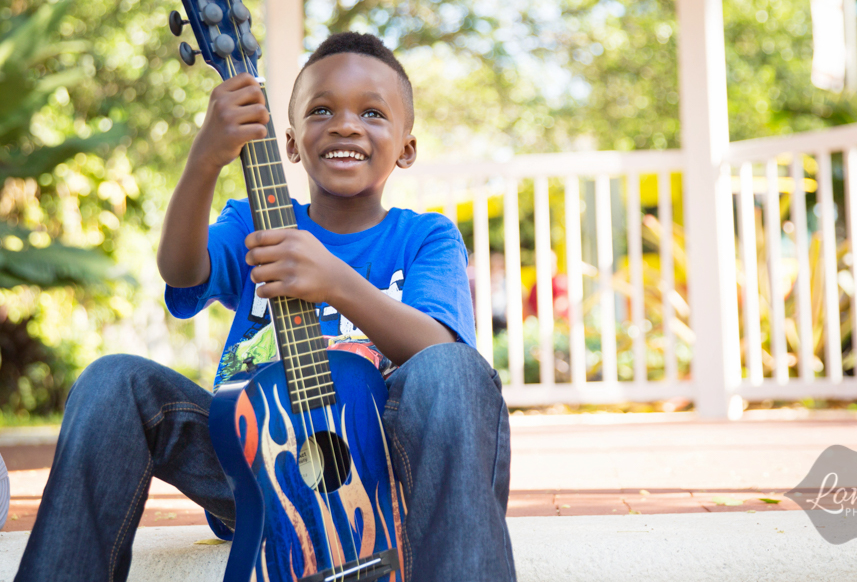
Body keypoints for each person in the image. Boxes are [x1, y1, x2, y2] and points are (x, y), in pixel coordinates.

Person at [14, 33, 516, 582]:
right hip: (254, 463)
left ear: (406, 148)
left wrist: (337, 283)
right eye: (322, 110)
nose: (346, 124)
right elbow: (182, 272)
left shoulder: (426, 237)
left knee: (456, 369)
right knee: (112, 380)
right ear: (293, 143)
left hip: (385, 468)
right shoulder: (257, 222)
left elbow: (443, 355)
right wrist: (205, 158)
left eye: (372, 112)